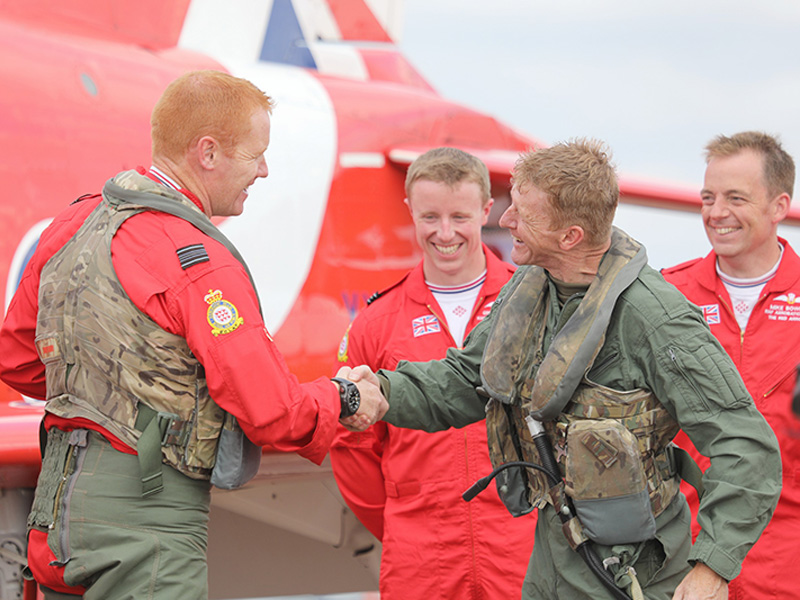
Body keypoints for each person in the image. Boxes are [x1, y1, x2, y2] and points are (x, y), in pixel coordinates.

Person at [0, 70, 386, 600]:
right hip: (146, 521)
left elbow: (19, 360)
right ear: (208, 153)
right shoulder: (199, 262)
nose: (265, 170)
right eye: (256, 155)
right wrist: (345, 397)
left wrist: (114, 390)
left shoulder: (71, 226)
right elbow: (271, 410)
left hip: (57, 516)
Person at [340, 139, 781, 600]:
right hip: (553, 566)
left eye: (523, 214)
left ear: (570, 236)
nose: (505, 220)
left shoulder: (654, 319)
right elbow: (465, 380)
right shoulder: (529, 294)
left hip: (634, 575)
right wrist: (380, 391)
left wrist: (713, 566)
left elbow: (745, 444)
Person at [330, 147, 535, 599]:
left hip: (522, 544)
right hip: (421, 554)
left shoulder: (533, 306)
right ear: (410, 212)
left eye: (460, 216)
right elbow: (353, 447)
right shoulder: (376, 322)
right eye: (430, 217)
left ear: (487, 210)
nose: (445, 233)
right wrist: (408, 525)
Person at [662, 131, 799, 600]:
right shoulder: (664, 297)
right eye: (708, 197)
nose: (716, 212)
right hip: (682, 552)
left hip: (787, 554)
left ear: (780, 205)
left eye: (735, 198)